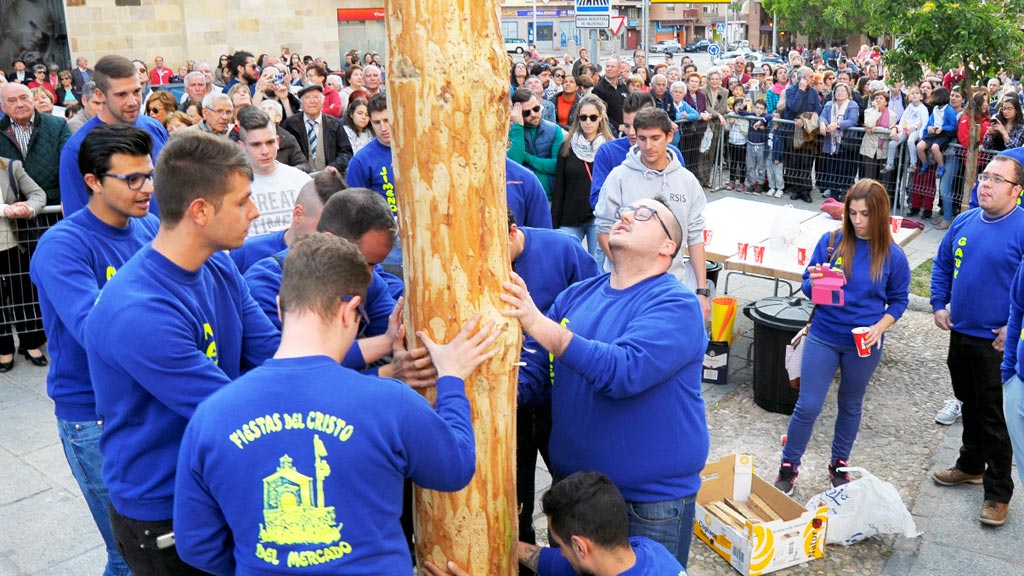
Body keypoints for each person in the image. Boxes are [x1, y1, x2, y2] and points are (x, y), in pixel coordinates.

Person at [174, 233, 495, 575]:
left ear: (282, 308)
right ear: (350, 310)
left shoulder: (211, 415)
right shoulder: (391, 403)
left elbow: (196, 544)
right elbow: (456, 467)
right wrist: (451, 377)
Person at [83, 132, 280, 575]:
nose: (255, 211)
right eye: (243, 201)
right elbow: (231, 411)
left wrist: (376, 364)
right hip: (163, 511)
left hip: (214, 483)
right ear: (201, 211)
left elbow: (274, 355)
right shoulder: (139, 311)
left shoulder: (217, 264)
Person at [502, 196, 709, 567]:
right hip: (574, 499)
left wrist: (537, 322)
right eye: (626, 209)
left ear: (667, 247)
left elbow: (622, 371)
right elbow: (535, 368)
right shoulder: (576, 296)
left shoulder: (676, 305)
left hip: (646, 503)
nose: (627, 214)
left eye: (645, 214)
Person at [30, 125, 159, 576]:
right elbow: (94, 330)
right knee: (128, 555)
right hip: (93, 415)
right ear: (93, 182)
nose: (147, 188)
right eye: (133, 179)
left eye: (149, 175)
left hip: (147, 403)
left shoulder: (149, 227)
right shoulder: (63, 246)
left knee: (154, 549)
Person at [775, 179, 910, 496]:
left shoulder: (893, 256)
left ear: (879, 215)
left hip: (863, 343)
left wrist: (880, 327)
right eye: (852, 213)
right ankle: (788, 466)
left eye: (865, 214)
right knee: (808, 406)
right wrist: (816, 280)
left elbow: (900, 300)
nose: (859, 221)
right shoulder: (832, 241)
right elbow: (807, 288)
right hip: (824, 334)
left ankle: (839, 465)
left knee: (850, 404)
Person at [932, 155, 1024, 528]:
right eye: (985, 176)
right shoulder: (965, 220)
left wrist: (1013, 330)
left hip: (996, 344)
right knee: (968, 403)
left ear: (1017, 191)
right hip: (961, 334)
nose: (985, 184)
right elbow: (940, 264)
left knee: (995, 418)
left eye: (997, 179)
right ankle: (970, 465)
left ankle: (998, 492)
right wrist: (938, 303)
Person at [509, 211, 600, 550]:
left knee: (572, 499)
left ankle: (565, 561)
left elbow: (596, 304)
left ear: (513, 231)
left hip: (558, 405)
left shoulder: (563, 249)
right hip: (511, 407)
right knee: (515, 505)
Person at [594, 107, 710, 317]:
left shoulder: (687, 181)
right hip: (623, 288)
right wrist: (624, 270)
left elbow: (694, 236)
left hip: (671, 286)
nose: (648, 146)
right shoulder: (618, 177)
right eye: (642, 138)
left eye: (655, 138)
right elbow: (603, 229)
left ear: (669, 136)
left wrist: (702, 291)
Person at [59, 55, 169, 217]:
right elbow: (77, 217)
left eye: (137, 91)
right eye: (121, 94)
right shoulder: (77, 147)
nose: (132, 101)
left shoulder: (154, 127)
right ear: (100, 94)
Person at [230, 171, 343, 274]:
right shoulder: (246, 253)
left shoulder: (345, 258)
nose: (331, 236)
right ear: (298, 214)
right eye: (323, 227)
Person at [0, 153, 47, 371]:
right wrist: (4, 209)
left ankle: (30, 344)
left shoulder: (11, 166)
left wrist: (28, 209)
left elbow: (38, 194)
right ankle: (4, 349)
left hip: (14, 245)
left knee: (23, 295)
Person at [552, 94, 613, 259]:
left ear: (600, 118)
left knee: (598, 267)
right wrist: (555, 222)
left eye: (593, 117)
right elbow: (560, 186)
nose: (588, 121)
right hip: (570, 216)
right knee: (565, 263)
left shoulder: (609, 148)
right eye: (583, 117)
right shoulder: (566, 147)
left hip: (598, 216)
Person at [235, 107, 311, 236]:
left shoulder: (301, 180)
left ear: (278, 142)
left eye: (270, 142)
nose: (265, 151)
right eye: (256, 145)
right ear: (242, 147)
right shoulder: (230, 187)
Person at [0, 82, 71, 210]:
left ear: (32, 100)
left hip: (54, 207)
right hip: (15, 209)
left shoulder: (57, 125)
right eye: (12, 101)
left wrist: (67, 198)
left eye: (24, 98)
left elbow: (69, 165)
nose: (20, 104)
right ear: (3, 107)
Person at [282, 84, 353, 175]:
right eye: (307, 97)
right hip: (299, 177)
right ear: (301, 103)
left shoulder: (334, 124)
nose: (312, 101)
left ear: (322, 102)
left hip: (328, 178)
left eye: (316, 97)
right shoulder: (290, 124)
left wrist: (335, 166)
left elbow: (346, 152)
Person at [508, 87, 564, 200]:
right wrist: (518, 126)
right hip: (522, 198)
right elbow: (514, 163)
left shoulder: (554, 130)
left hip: (549, 198)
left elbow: (557, 165)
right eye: (527, 112)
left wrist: (527, 158)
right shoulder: (512, 132)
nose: (533, 114)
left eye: (536, 108)